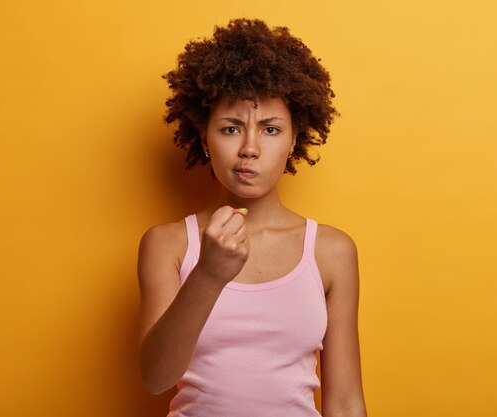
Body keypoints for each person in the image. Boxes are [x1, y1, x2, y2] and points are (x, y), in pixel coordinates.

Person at [137, 18, 367, 417]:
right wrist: (208, 274)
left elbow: (345, 402)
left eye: (271, 129)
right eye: (230, 128)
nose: (249, 148)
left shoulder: (331, 251)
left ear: (294, 139)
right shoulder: (168, 244)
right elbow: (156, 378)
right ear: (205, 138)